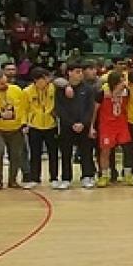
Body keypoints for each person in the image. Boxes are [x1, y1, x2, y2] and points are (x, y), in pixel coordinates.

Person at [54, 61, 96, 190]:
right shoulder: (61, 90)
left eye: (81, 72)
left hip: (84, 126)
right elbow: (59, 109)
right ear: (69, 73)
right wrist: (72, 123)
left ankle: (87, 176)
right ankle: (66, 178)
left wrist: (83, 123)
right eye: (77, 72)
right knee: (66, 153)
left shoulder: (88, 89)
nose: (80, 75)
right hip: (67, 126)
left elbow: (90, 108)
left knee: (86, 152)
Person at [93, 70, 132, 187]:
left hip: (121, 124)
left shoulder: (126, 92)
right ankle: (104, 175)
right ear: (114, 83)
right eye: (121, 81)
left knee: (128, 149)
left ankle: (128, 174)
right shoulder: (102, 93)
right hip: (107, 125)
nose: (123, 83)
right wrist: (91, 127)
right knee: (105, 151)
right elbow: (95, 111)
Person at [21, 68, 58, 189]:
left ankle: (54, 178)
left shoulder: (54, 88)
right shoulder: (27, 92)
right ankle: (34, 178)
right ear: (36, 80)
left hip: (51, 125)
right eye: (44, 78)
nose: (47, 80)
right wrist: (24, 123)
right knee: (35, 153)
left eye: (47, 78)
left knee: (53, 153)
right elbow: (24, 109)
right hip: (34, 126)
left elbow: (63, 82)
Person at [0, 69, 26, 190]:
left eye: (5, 82)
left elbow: (24, 107)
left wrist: (24, 124)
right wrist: (0, 115)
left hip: (16, 128)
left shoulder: (16, 89)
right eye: (1, 84)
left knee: (16, 155)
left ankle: (12, 180)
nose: (5, 85)